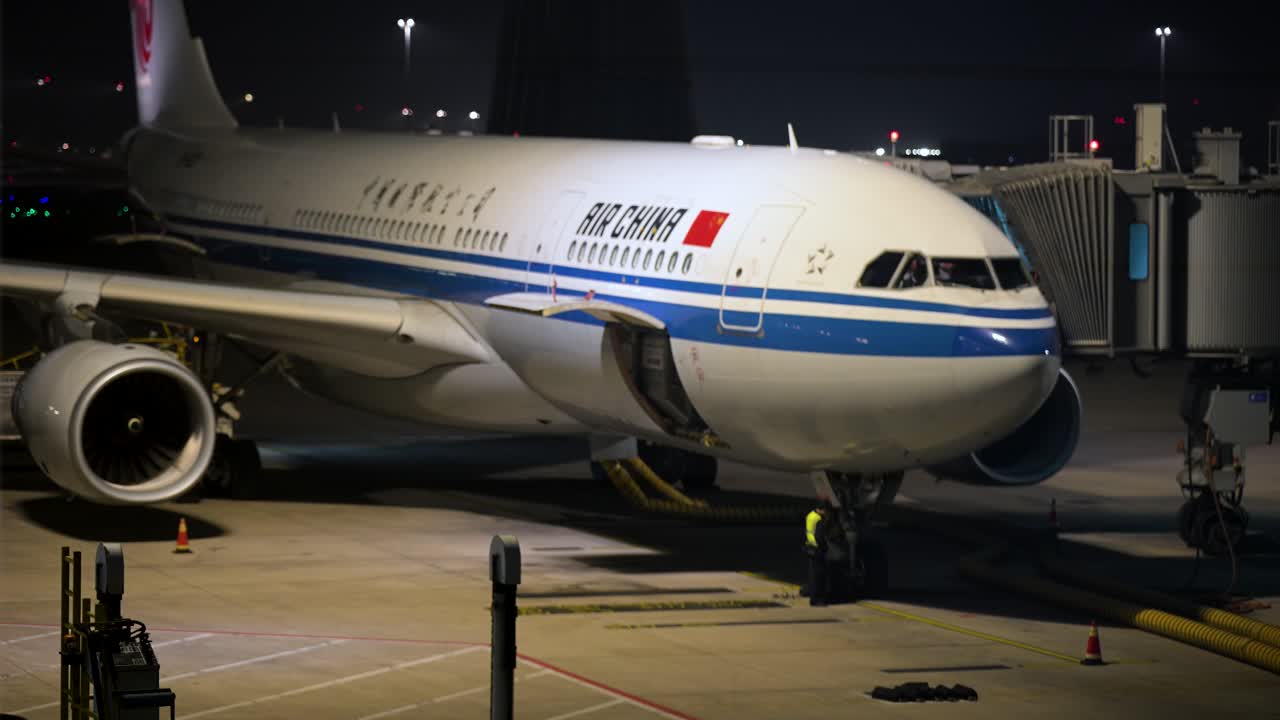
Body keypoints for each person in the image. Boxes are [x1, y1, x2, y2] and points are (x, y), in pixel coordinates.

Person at [804, 502, 832, 606]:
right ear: (822, 509)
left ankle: (813, 598)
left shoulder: (810, 516)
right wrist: (825, 547)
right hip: (817, 549)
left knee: (813, 576)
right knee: (819, 576)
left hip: (811, 548)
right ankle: (818, 599)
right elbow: (819, 536)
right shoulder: (818, 519)